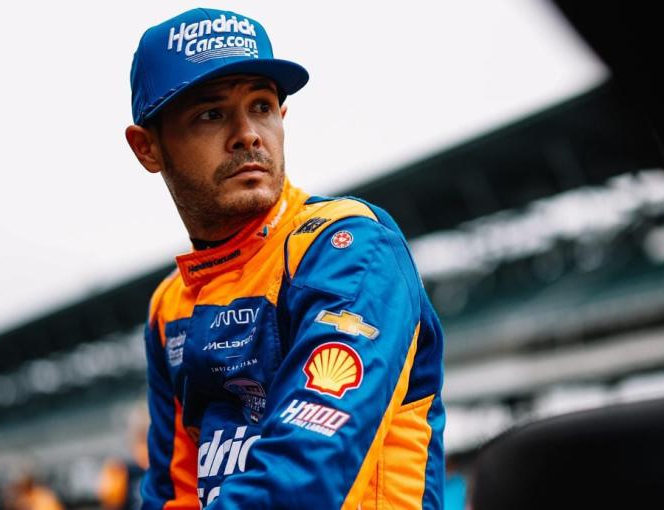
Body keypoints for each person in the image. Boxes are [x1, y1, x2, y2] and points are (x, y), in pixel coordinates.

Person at [124, 8, 445, 509]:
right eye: (211, 114)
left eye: (262, 106)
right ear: (148, 149)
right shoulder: (169, 307)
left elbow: (308, 471)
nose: (248, 134)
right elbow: (173, 495)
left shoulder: (350, 245)